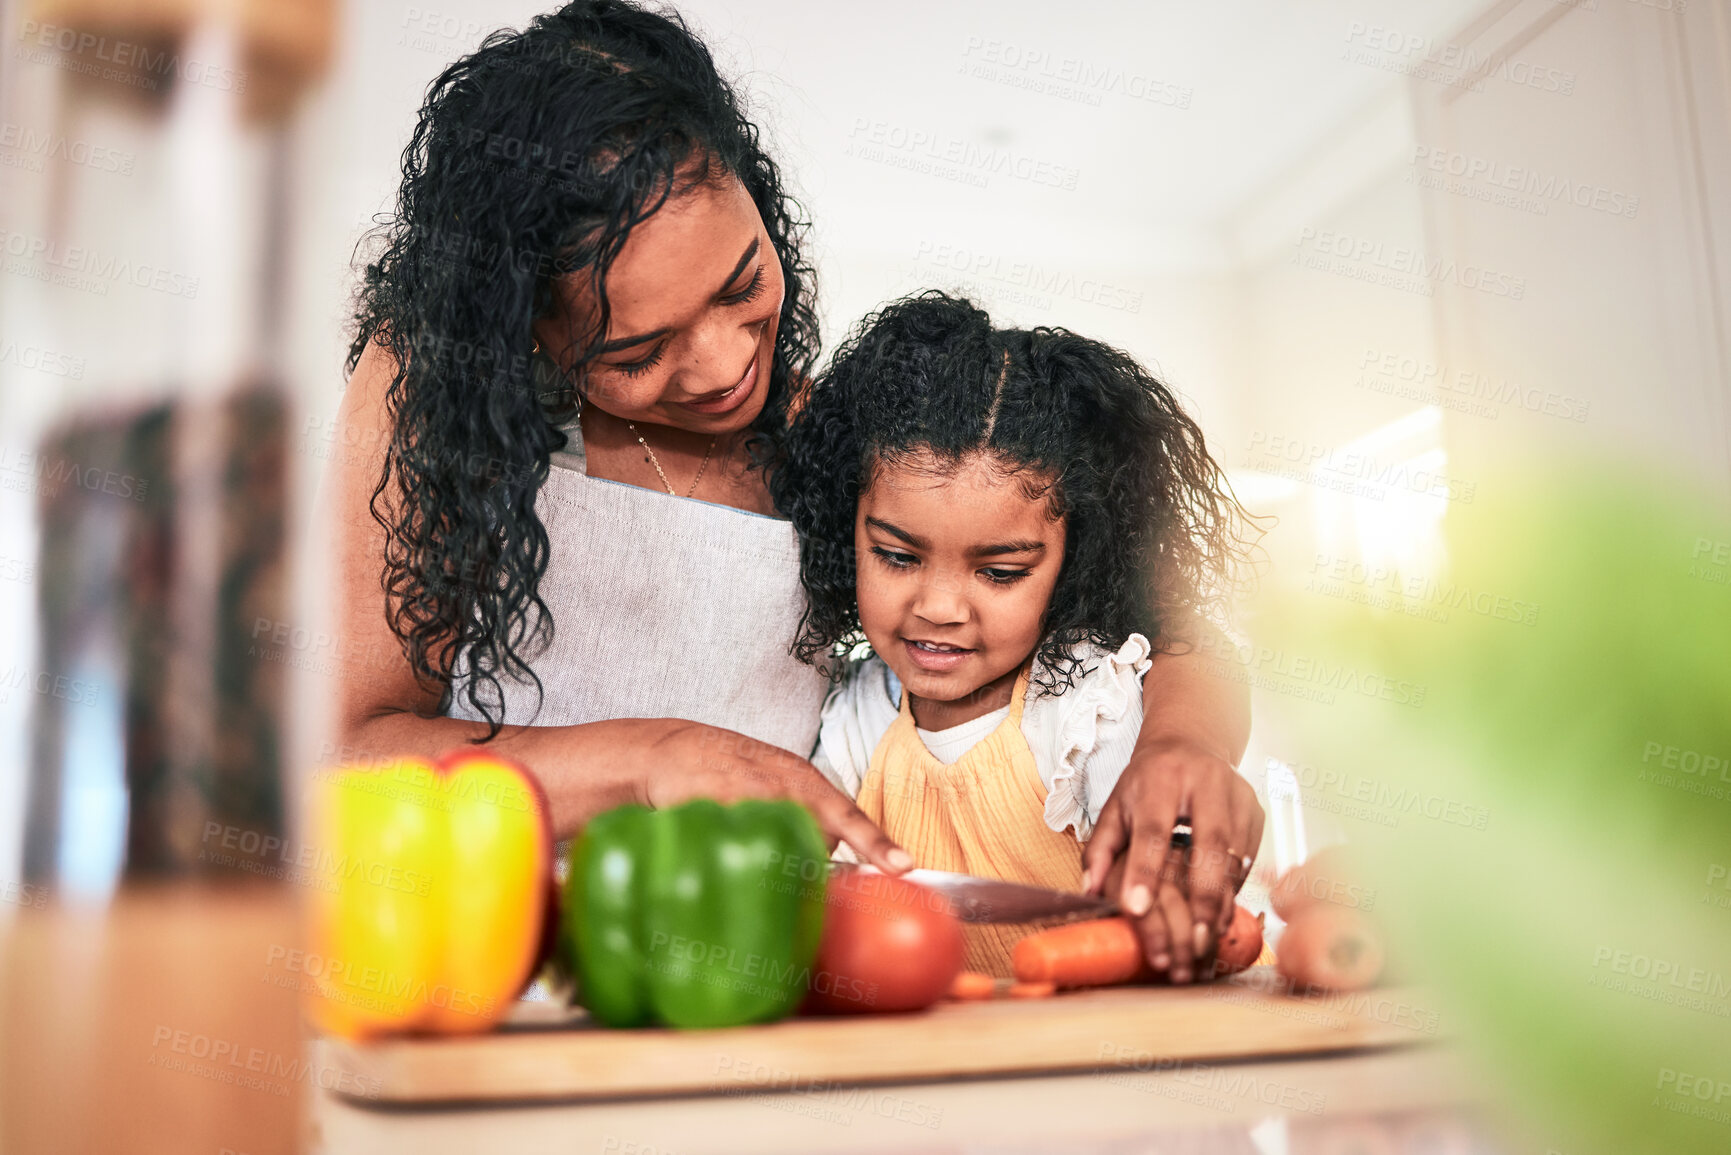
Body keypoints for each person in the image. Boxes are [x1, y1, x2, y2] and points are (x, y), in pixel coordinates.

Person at [328, 0, 1258, 974]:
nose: (727, 366)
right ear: (523, 332)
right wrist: (653, 758)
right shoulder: (438, 403)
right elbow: (341, 766)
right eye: (639, 351)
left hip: (753, 973)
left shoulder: (827, 430)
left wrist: (1179, 748)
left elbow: (1165, 635)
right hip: (484, 961)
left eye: (741, 286)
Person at [775, 292, 1257, 979]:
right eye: (896, 556)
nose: (938, 607)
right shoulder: (855, 715)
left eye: (999, 571)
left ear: (1072, 561)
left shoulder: (1088, 703)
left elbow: (1159, 859)